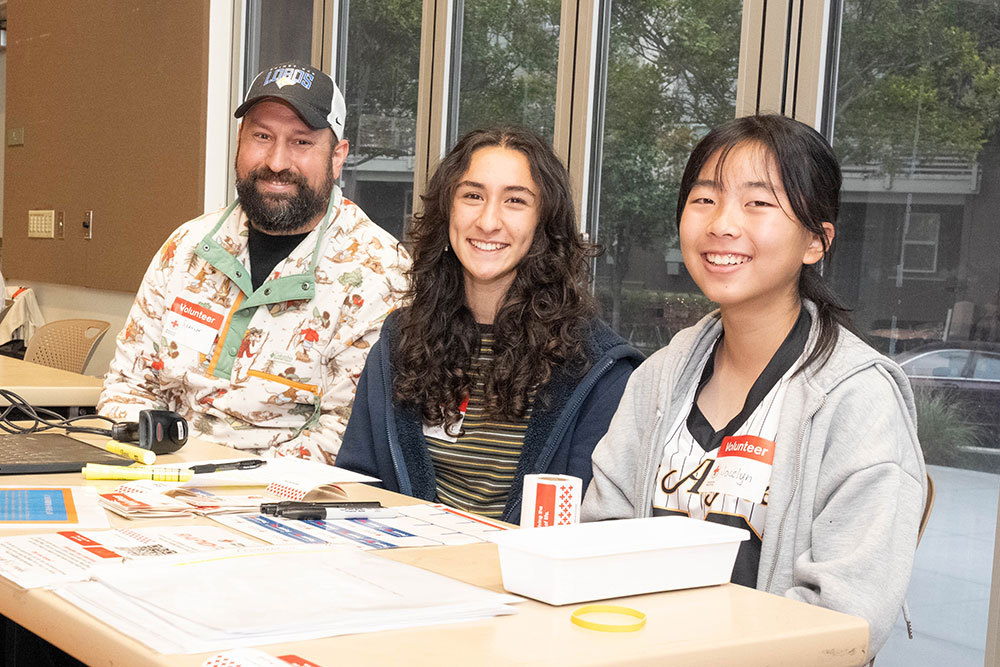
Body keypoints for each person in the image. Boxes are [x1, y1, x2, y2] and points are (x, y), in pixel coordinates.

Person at [581, 114, 926, 655]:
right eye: (704, 199)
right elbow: (601, 539)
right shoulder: (657, 378)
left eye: (758, 203)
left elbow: (843, 617)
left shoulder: (857, 399)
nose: (722, 223)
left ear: (817, 241)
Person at [99, 62, 409, 463]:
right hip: (156, 479)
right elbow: (126, 386)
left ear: (337, 157)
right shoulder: (186, 248)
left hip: (279, 501)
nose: (277, 162)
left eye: (301, 142)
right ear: (240, 142)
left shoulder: (378, 273)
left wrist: (218, 481)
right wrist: (164, 469)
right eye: (262, 136)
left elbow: (345, 435)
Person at [336, 126, 643, 522]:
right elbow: (359, 482)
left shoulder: (596, 368)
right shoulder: (401, 340)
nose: (488, 220)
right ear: (448, 210)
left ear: (543, 223)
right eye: (473, 196)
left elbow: (593, 523)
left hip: (521, 578)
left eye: (515, 200)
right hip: (402, 566)